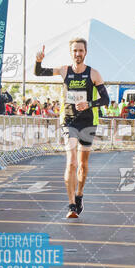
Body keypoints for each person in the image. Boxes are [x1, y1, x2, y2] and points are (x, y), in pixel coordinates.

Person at [35, 39, 109, 219]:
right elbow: (39, 73)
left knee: (83, 164)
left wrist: (89, 104)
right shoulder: (64, 70)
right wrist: (38, 61)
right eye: (75, 51)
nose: (78, 54)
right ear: (71, 53)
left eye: (81, 51)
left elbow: (105, 100)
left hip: (89, 122)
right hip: (69, 120)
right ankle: (71, 206)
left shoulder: (94, 74)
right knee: (72, 162)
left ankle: (80, 195)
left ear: (86, 52)